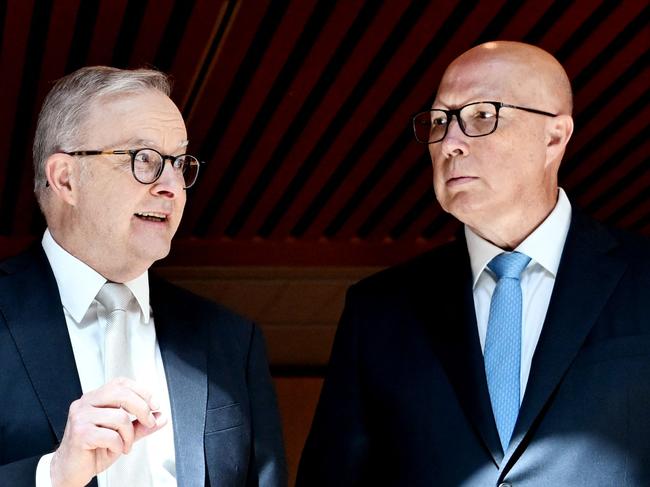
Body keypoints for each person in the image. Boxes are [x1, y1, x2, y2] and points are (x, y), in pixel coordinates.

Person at [297, 41, 649, 486]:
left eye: (482, 116)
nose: (450, 143)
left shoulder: (643, 278)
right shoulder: (378, 310)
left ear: (554, 137)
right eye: (440, 121)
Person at [0, 66, 287, 487]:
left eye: (180, 163)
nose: (172, 185)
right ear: (66, 179)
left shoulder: (230, 340)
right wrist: (52, 475)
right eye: (145, 160)